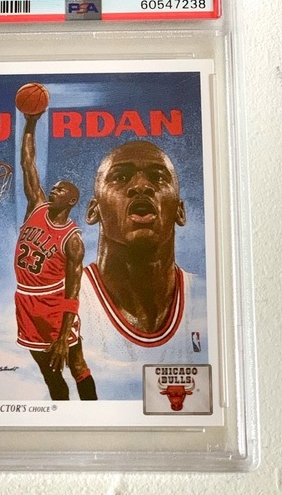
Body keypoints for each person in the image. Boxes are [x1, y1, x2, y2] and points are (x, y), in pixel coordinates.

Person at [79, 140, 207, 399]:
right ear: (94, 211)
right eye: (120, 177)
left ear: (180, 212)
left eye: (158, 177)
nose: (141, 186)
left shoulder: (210, 299)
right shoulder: (61, 299)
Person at [14, 113, 97, 401]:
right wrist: (31, 122)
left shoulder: (72, 240)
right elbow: (27, 163)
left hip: (53, 305)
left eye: (60, 189)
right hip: (26, 300)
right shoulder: (36, 206)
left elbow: (73, 290)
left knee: (77, 365)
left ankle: (94, 416)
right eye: (54, 186)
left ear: (71, 200)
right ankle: (62, 418)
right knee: (49, 373)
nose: (53, 189)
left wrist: (63, 336)